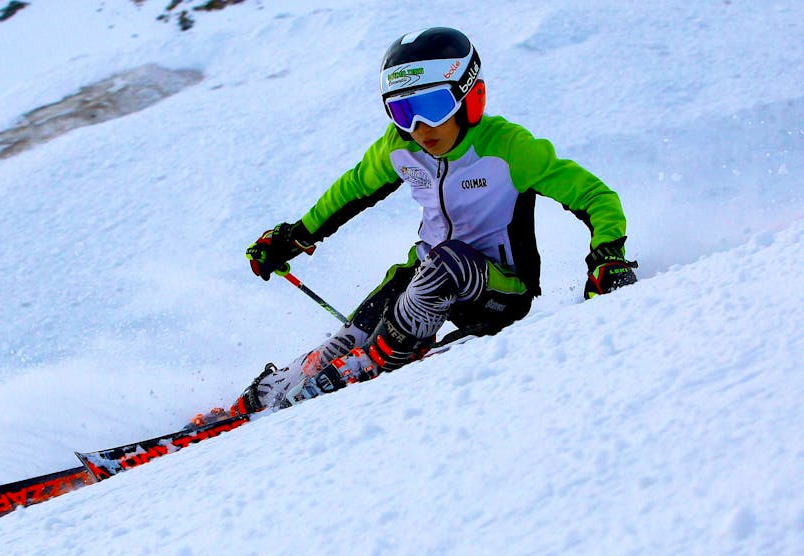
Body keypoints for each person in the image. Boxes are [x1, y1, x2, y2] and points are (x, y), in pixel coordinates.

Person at [194, 27, 637, 425]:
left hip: (499, 291)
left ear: (470, 97)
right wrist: (294, 237)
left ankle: (375, 362)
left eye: (433, 106)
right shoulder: (401, 147)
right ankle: (264, 397)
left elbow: (595, 197)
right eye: (404, 111)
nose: (420, 127)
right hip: (426, 279)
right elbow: (350, 192)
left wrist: (608, 257)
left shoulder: (508, 148)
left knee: (444, 263)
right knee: (356, 328)